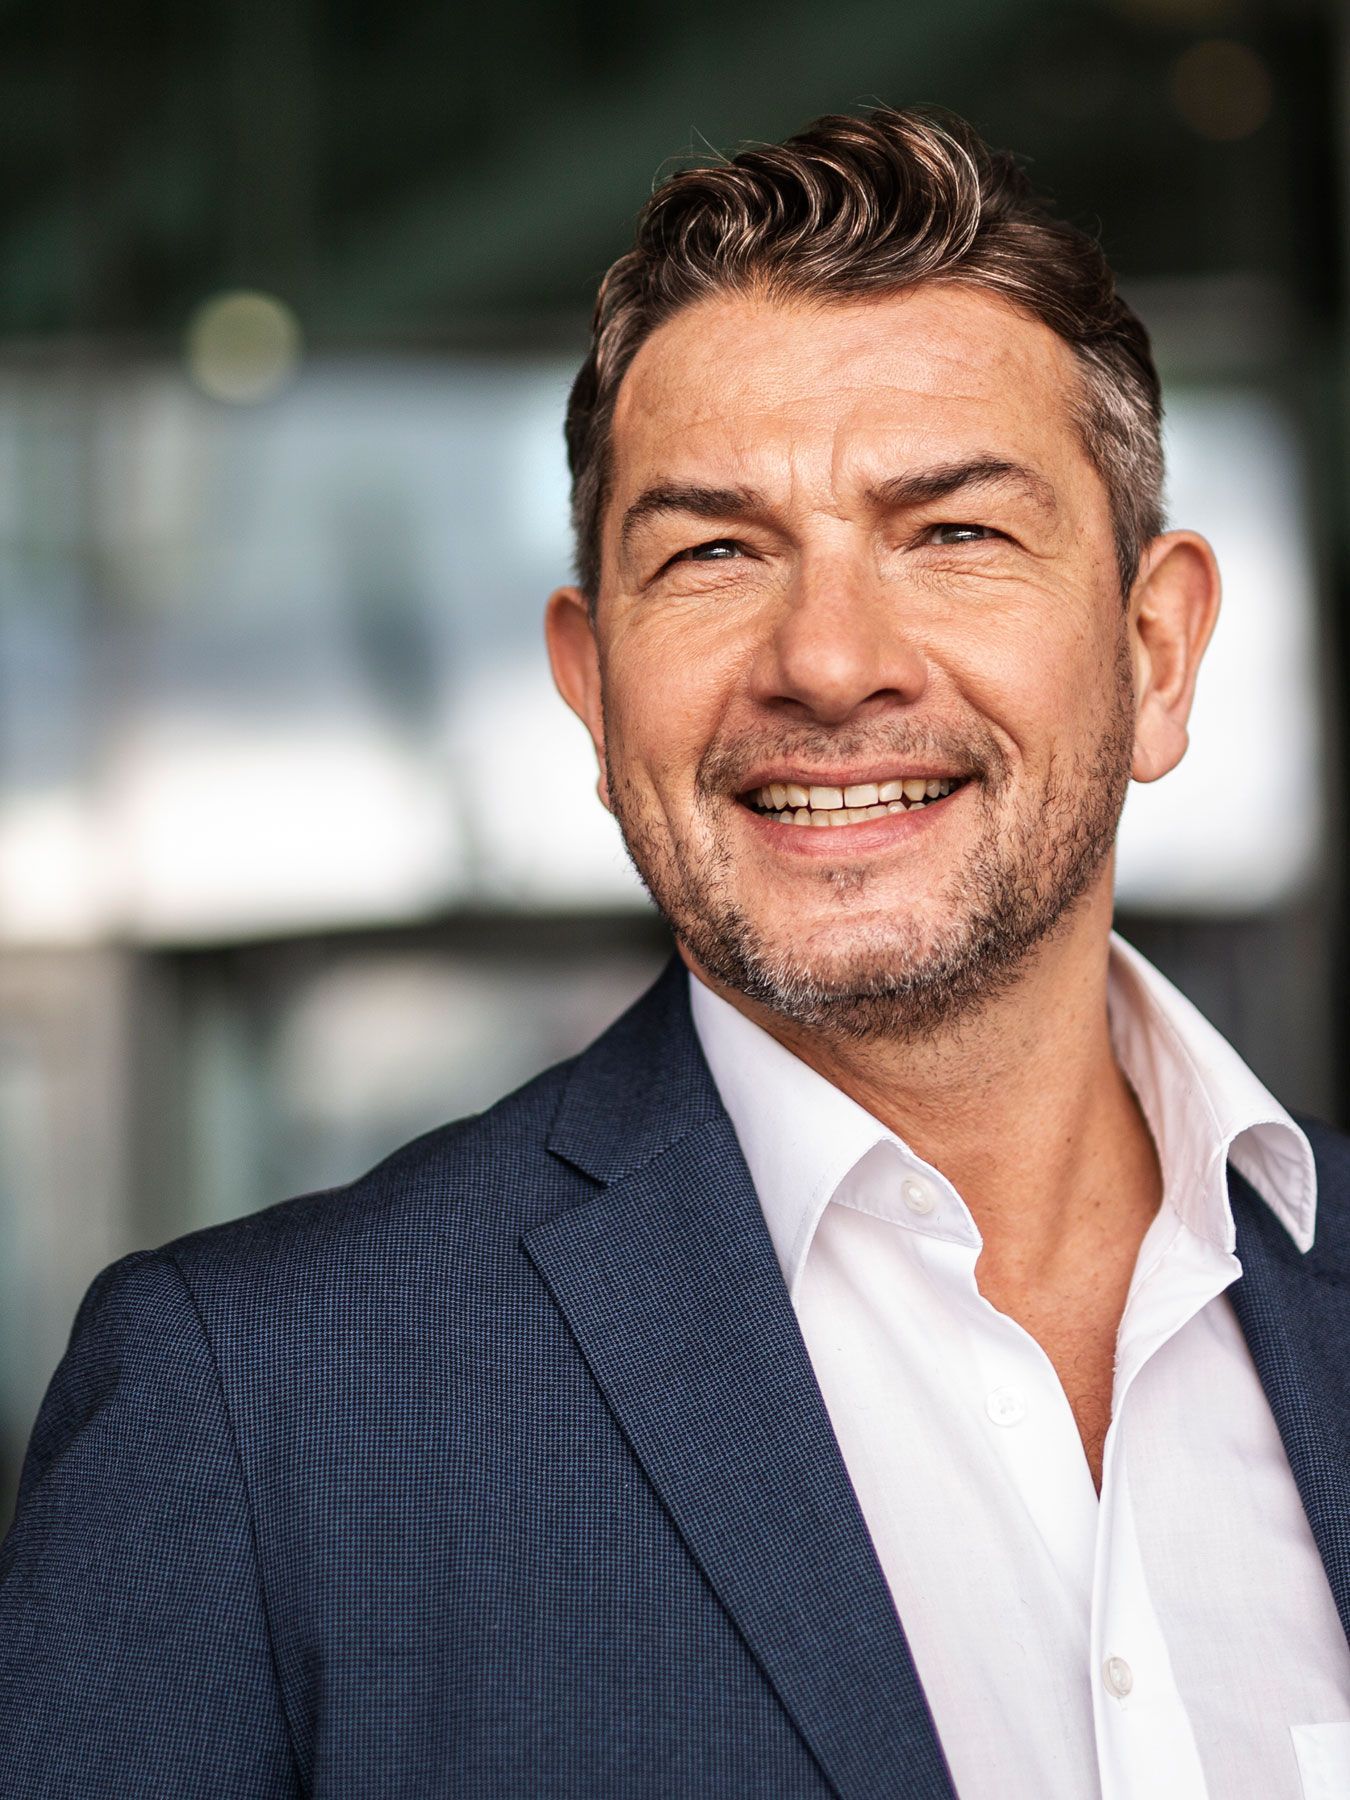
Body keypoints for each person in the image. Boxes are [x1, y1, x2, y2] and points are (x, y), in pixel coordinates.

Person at [2, 105, 1348, 1800]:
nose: (830, 662)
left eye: (951, 534)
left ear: (1153, 653)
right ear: (590, 684)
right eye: (713, 551)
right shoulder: (255, 1409)